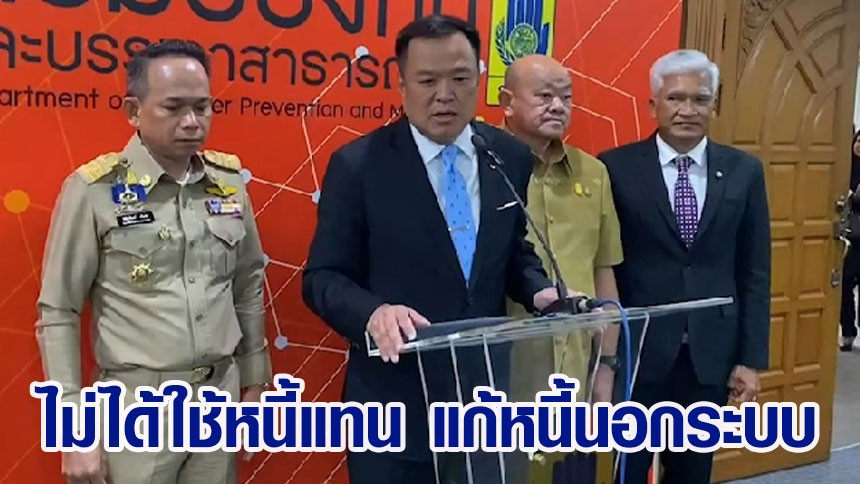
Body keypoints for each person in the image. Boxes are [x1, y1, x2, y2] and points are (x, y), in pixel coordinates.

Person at [302, 14, 572, 484]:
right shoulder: (359, 165)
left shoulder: (507, 156)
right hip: (393, 406)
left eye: (460, 79)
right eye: (428, 81)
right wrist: (373, 313)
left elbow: (512, 253)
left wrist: (539, 292)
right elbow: (322, 278)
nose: (445, 94)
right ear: (401, 84)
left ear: (479, 79)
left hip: (484, 404)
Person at [35, 39, 272, 484]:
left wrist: (256, 383)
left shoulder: (227, 184)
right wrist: (72, 428)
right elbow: (58, 311)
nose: (192, 121)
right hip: (137, 410)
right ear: (133, 110)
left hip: (218, 400)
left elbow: (247, 284)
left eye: (202, 107)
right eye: (173, 108)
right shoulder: (95, 190)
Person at [598, 49, 771, 484]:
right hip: (639, 353)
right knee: (625, 471)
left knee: (692, 472)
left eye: (700, 99)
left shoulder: (744, 171)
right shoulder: (614, 168)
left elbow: (754, 271)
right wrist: (605, 357)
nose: (688, 110)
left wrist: (751, 360)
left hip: (709, 356)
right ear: (653, 105)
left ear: (714, 106)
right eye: (675, 98)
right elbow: (605, 264)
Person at [498, 53, 625, 483]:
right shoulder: (482, 168)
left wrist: (606, 367)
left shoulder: (594, 173)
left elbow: (603, 272)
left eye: (566, 97)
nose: (558, 106)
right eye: (544, 96)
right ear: (507, 102)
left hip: (577, 370)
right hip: (504, 373)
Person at [840, 129, 860, 351]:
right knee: (844, 284)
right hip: (848, 236)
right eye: (858, 140)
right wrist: (852, 195)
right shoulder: (844, 167)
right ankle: (847, 331)